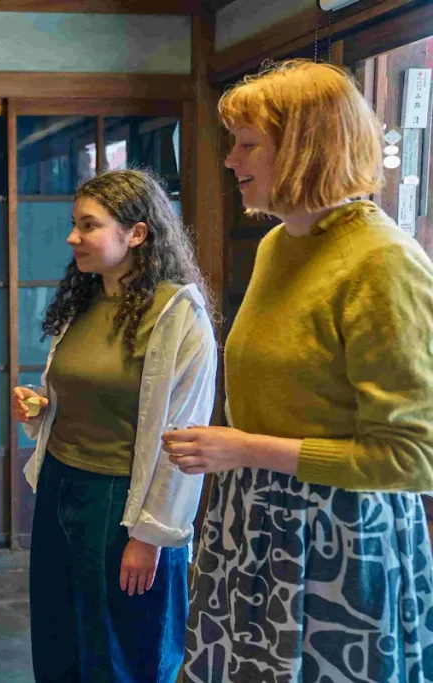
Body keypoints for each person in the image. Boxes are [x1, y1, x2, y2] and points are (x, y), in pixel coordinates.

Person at [166, 60, 433, 682]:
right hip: (253, 519)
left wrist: (245, 448)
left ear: (309, 149)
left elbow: (413, 457)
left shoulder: (383, 262)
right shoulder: (277, 245)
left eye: (248, 143)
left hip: (340, 536)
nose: (231, 160)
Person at [15, 169, 218, 682]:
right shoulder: (81, 302)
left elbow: (182, 441)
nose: (72, 237)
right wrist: (42, 407)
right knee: (60, 640)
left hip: (123, 505)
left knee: (126, 653)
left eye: (88, 225)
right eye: (73, 224)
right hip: (61, 487)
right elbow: (90, 396)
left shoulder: (178, 315)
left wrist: (149, 536)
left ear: (137, 233)